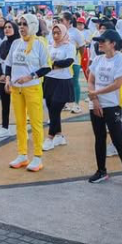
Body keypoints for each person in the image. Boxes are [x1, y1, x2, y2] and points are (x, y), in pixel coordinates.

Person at [87, 29, 122, 190]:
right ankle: (101, 171)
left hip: (112, 105)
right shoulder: (98, 59)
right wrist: (94, 99)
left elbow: (117, 84)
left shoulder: (121, 60)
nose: (100, 43)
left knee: (118, 140)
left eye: (103, 41)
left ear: (113, 43)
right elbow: (91, 80)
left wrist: (96, 93)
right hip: (95, 104)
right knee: (99, 138)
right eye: (99, 41)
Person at [4, 14, 49, 172]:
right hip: (16, 89)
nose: (21, 27)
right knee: (20, 123)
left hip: (32, 88)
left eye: (25, 24)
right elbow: (9, 63)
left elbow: (46, 66)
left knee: (36, 123)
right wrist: (8, 79)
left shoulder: (39, 44)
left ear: (33, 26)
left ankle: (37, 156)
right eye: (20, 24)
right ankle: (22, 154)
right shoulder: (16, 43)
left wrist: (30, 76)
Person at [43, 23, 74, 151]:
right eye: (54, 33)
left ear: (64, 33)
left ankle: (50, 137)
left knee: (55, 108)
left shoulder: (69, 46)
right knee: (51, 109)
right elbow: (44, 61)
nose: (56, 35)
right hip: (50, 80)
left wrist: (53, 64)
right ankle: (59, 135)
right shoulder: (50, 46)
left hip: (63, 81)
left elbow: (69, 61)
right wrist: (51, 65)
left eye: (58, 33)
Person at [0, 20, 19, 138]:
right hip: (5, 78)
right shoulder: (3, 43)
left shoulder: (20, 43)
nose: (6, 29)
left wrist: (10, 75)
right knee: (5, 103)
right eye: (5, 27)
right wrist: (1, 74)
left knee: (20, 106)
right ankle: (5, 127)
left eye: (10, 27)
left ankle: (21, 128)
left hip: (18, 78)